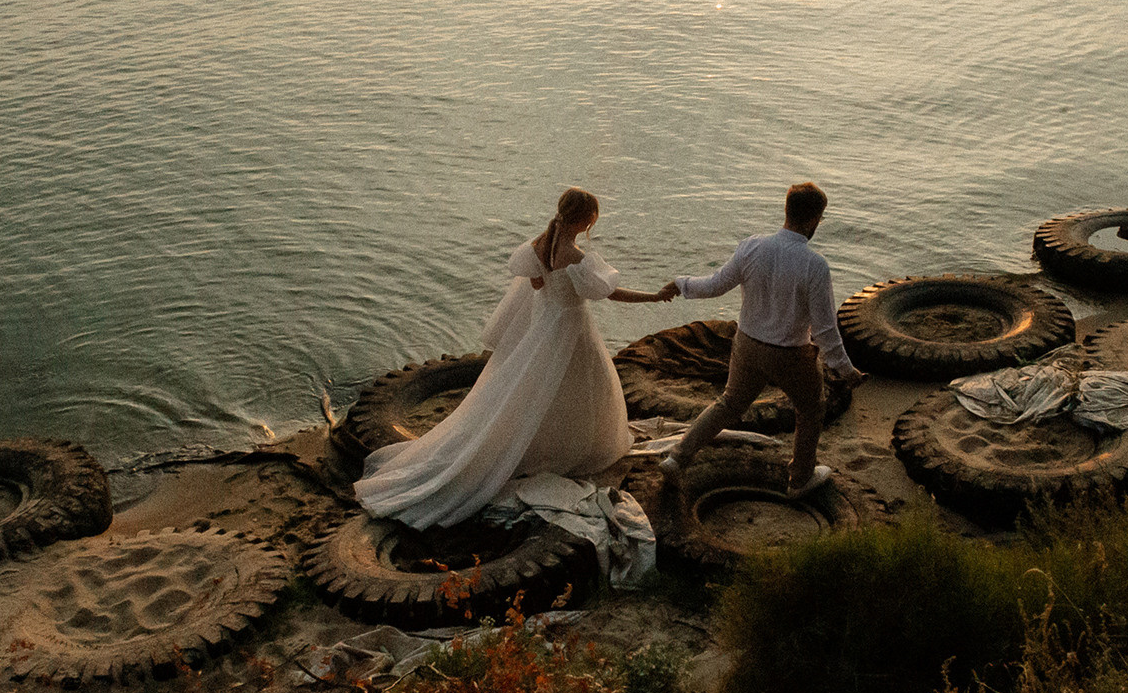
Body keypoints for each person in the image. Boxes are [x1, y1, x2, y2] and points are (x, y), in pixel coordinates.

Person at [355, 187, 672, 530]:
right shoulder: (576, 257)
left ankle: (536, 446)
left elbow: (537, 285)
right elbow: (610, 294)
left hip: (544, 328)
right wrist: (654, 298)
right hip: (570, 330)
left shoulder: (540, 244)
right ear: (586, 219)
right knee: (581, 391)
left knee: (531, 391)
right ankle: (570, 450)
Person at [656, 181, 865, 495]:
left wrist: (679, 283)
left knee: (728, 403)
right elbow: (824, 329)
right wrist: (846, 370)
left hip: (747, 344)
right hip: (790, 354)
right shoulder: (815, 265)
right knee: (810, 409)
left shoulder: (752, 246)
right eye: (819, 220)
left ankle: (677, 458)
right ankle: (801, 478)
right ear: (813, 220)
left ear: (787, 210)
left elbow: (715, 285)